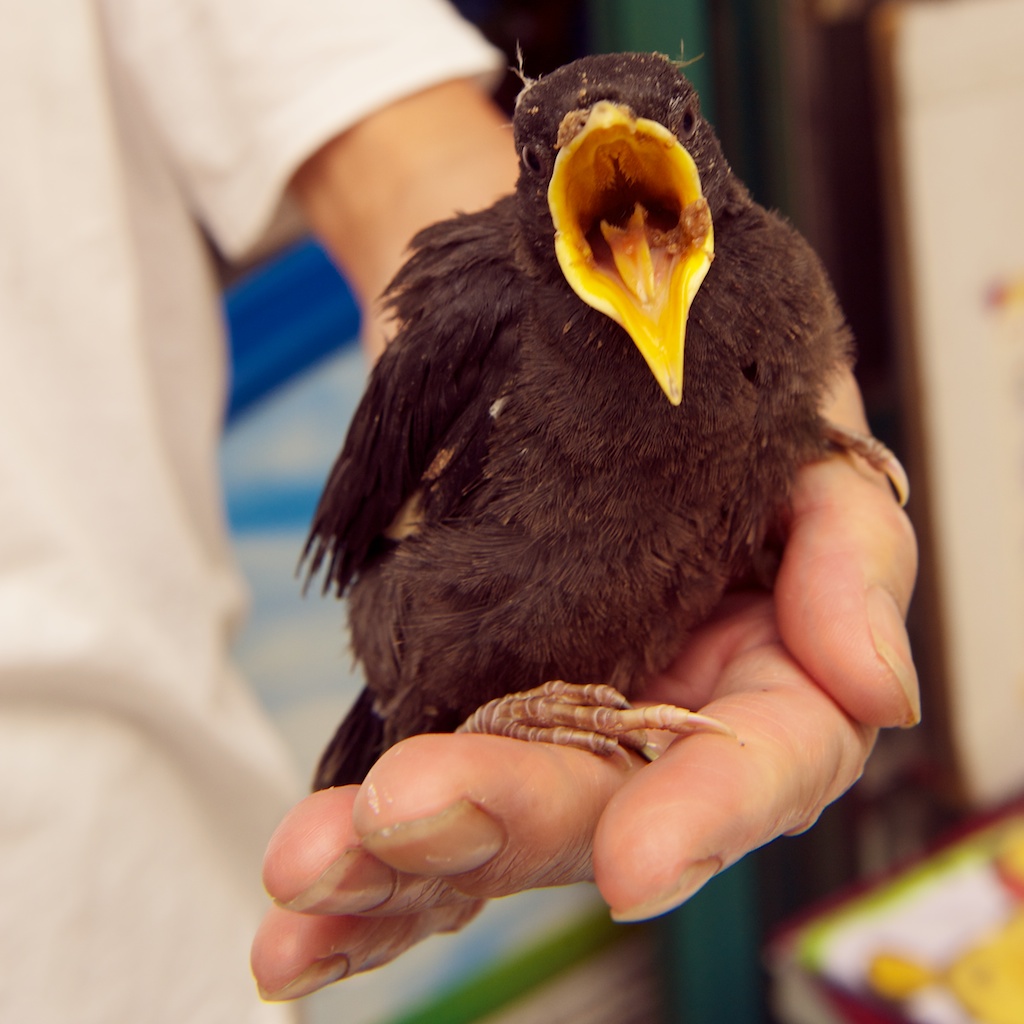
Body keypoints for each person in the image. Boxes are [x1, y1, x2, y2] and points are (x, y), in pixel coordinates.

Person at [0, 2, 917, 1021]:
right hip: (125, 841)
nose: (601, 139)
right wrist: (491, 704)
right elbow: (364, 541)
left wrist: (797, 436)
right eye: (545, 157)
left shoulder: (775, 288)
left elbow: (347, 95)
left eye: (676, 125)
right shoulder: (497, 333)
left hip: (145, 821)